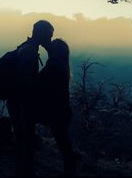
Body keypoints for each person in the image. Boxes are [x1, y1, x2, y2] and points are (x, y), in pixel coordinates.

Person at [7, 20, 54, 177]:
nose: (50, 40)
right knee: (26, 138)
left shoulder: (26, 47)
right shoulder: (29, 52)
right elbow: (25, 78)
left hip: (16, 99)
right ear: (42, 34)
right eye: (49, 36)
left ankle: (23, 170)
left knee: (24, 137)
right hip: (22, 102)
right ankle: (25, 172)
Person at [36, 38, 79, 176]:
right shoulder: (62, 65)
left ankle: (71, 167)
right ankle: (71, 166)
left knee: (63, 142)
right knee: (63, 141)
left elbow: (39, 82)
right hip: (62, 110)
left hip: (56, 111)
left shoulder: (54, 66)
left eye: (51, 47)